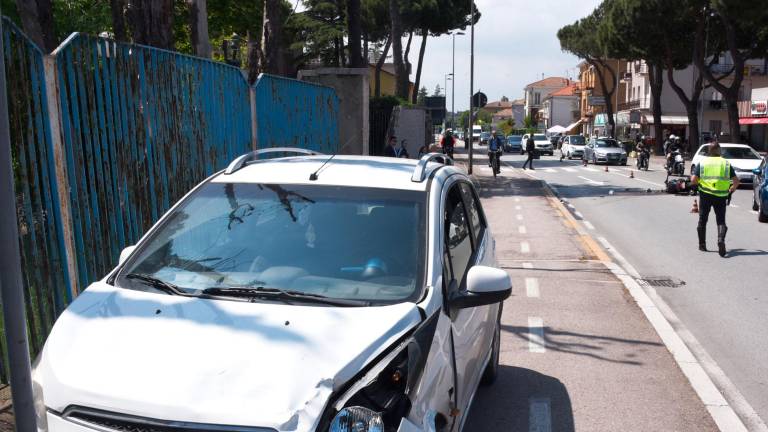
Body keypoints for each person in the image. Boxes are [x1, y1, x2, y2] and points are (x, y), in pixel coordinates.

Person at [691, 140, 740, 256]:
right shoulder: (726, 163)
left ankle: (702, 245)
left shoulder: (703, 162)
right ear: (719, 151)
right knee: (721, 220)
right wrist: (731, 190)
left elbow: (693, 179)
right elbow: (736, 181)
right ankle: (720, 240)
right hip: (721, 196)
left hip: (705, 195)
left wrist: (699, 184)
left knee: (703, 220)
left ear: (709, 151)